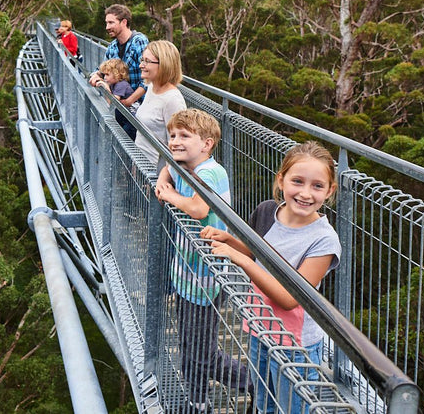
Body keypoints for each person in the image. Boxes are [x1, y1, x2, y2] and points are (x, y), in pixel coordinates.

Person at [201, 141, 342, 414]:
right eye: (297, 181)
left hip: (294, 344)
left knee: (292, 409)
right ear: (281, 179)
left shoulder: (324, 240)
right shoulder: (268, 211)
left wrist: (236, 256)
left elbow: (290, 298)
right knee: (264, 404)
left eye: (317, 186)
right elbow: (258, 254)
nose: (305, 193)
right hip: (259, 328)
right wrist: (230, 239)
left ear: (330, 190)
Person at [154, 109, 250, 412]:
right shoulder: (182, 163)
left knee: (204, 353)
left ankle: (256, 384)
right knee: (189, 346)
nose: (175, 141)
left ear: (207, 144)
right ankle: (197, 400)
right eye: (172, 136)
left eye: (184, 136)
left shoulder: (211, 172)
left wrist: (167, 196)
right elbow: (168, 166)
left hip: (205, 277)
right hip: (187, 273)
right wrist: (162, 180)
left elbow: (197, 209)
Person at [134, 40, 186, 165]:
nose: (141, 65)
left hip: (155, 175)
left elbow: (177, 148)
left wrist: (165, 179)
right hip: (140, 166)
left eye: (147, 61)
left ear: (164, 65)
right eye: (142, 60)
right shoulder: (151, 87)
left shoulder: (173, 100)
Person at [89, 4, 148, 110]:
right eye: (106, 23)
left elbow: (148, 78)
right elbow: (102, 70)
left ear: (124, 22)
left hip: (140, 107)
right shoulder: (112, 47)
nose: (107, 27)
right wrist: (96, 75)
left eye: (111, 22)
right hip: (118, 104)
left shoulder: (139, 41)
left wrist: (129, 101)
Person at [96, 58, 138, 139]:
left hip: (131, 120)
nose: (105, 77)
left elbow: (112, 103)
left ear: (117, 75)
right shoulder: (113, 84)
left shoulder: (121, 84)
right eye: (104, 74)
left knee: (124, 137)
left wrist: (106, 88)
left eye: (107, 75)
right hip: (124, 115)